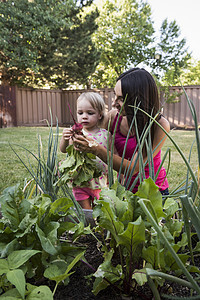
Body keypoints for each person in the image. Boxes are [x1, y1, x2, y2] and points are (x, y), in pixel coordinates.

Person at [72, 68, 170, 195]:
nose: (113, 103)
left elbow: (134, 168)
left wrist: (95, 148)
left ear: (138, 99)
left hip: (153, 192)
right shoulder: (113, 117)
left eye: (121, 99)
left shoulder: (158, 125)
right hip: (124, 190)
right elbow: (89, 131)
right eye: (114, 95)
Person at [60, 92, 113, 209]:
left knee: (101, 212)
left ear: (99, 115)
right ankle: (89, 227)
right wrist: (64, 138)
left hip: (100, 182)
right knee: (87, 214)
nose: (84, 116)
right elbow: (63, 150)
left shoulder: (106, 134)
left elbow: (112, 156)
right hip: (80, 182)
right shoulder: (75, 134)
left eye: (90, 113)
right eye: (80, 113)